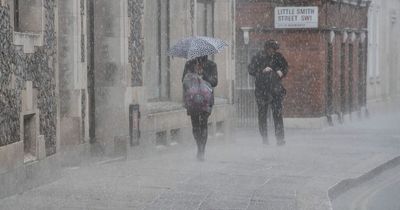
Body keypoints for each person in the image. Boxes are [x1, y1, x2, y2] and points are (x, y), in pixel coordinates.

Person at [248, 40, 288, 145]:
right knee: (262, 115)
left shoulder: (278, 57)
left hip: (276, 90)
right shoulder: (258, 57)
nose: (272, 51)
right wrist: (262, 70)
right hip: (261, 91)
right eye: (270, 49)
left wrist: (281, 72)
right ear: (266, 49)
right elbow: (251, 69)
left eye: (273, 49)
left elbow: (285, 68)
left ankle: (280, 138)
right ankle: (264, 138)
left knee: (277, 114)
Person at [182, 55, 218, 161]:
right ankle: (199, 146)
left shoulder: (211, 65)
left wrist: (204, 74)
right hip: (192, 100)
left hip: (206, 100)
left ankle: (201, 150)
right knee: (195, 125)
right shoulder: (189, 64)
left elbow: (214, 82)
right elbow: (184, 82)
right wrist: (193, 75)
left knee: (203, 123)